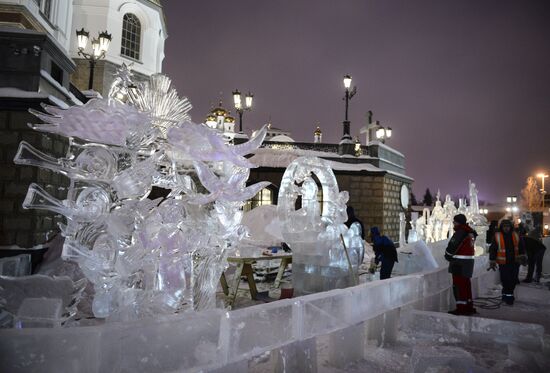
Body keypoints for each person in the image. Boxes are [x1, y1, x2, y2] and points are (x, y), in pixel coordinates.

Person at [444, 214, 477, 315]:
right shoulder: (470, 232)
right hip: (468, 263)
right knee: (466, 284)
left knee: (459, 286)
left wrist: (447, 255)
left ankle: (461, 308)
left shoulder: (460, 232)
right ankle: (468, 306)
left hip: (459, 264)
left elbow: (452, 245)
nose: (453, 223)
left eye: (454, 221)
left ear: (458, 222)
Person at [489, 220, 527, 305]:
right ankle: (508, 297)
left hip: (515, 262)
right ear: (501, 227)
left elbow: (521, 247)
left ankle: (506, 294)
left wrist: (523, 256)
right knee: (506, 280)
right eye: (504, 226)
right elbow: (493, 249)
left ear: (511, 227)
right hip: (503, 263)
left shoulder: (516, 235)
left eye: (508, 226)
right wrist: (492, 259)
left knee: (513, 280)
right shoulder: (497, 236)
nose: (506, 228)